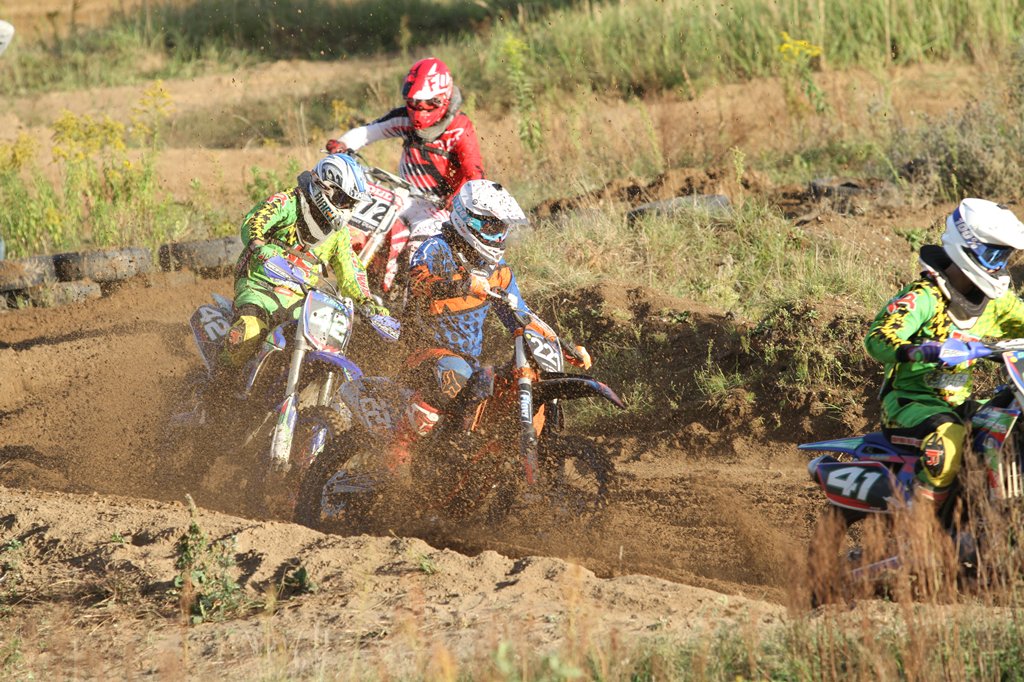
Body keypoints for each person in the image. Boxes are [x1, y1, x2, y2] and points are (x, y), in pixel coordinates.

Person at [385, 179, 591, 470]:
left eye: (501, 227)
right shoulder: (437, 248)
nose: (497, 234)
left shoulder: (498, 271)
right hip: (423, 353)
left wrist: (563, 346)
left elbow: (520, 315)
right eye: (491, 226)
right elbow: (419, 283)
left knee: (498, 385)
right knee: (455, 372)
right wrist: (461, 285)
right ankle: (399, 449)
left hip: (468, 361)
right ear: (466, 218)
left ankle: (476, 459)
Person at [864, 198, 1024, 504]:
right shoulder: (924, 297)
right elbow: (878, 339)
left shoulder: (996, 304)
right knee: (949, 441)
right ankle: (923, 528)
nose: (998, 266)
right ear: (966, 246)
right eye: (993, 255)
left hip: (960, 404)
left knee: (1011, 421)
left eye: (1004, 257)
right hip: (909, 403)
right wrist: (921, 351)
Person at [221, 154, 388, 371]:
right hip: (259, 286)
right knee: (250, 331)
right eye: (343, 200)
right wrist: (259, 246)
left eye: (352, 203)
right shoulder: (289, 202)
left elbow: (351, 272)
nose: (347, 208)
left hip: (301, 299)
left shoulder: (339, 235)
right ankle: (218, 381)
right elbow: (255, 221)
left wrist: (367, 303)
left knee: (323, 338)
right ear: (324, 188)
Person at [325, 58, 485, 262]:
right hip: (403, 197)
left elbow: (475, 175)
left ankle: (415, 281)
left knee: (419, 250)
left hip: (439, 207)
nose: (419, 110)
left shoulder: (459, 128)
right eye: (413, 103)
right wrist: (343, 145)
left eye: (427, 103)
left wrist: (457, 198)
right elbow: (368, 132)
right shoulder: (404, 119)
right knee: (357, 223)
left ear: (442, 99)